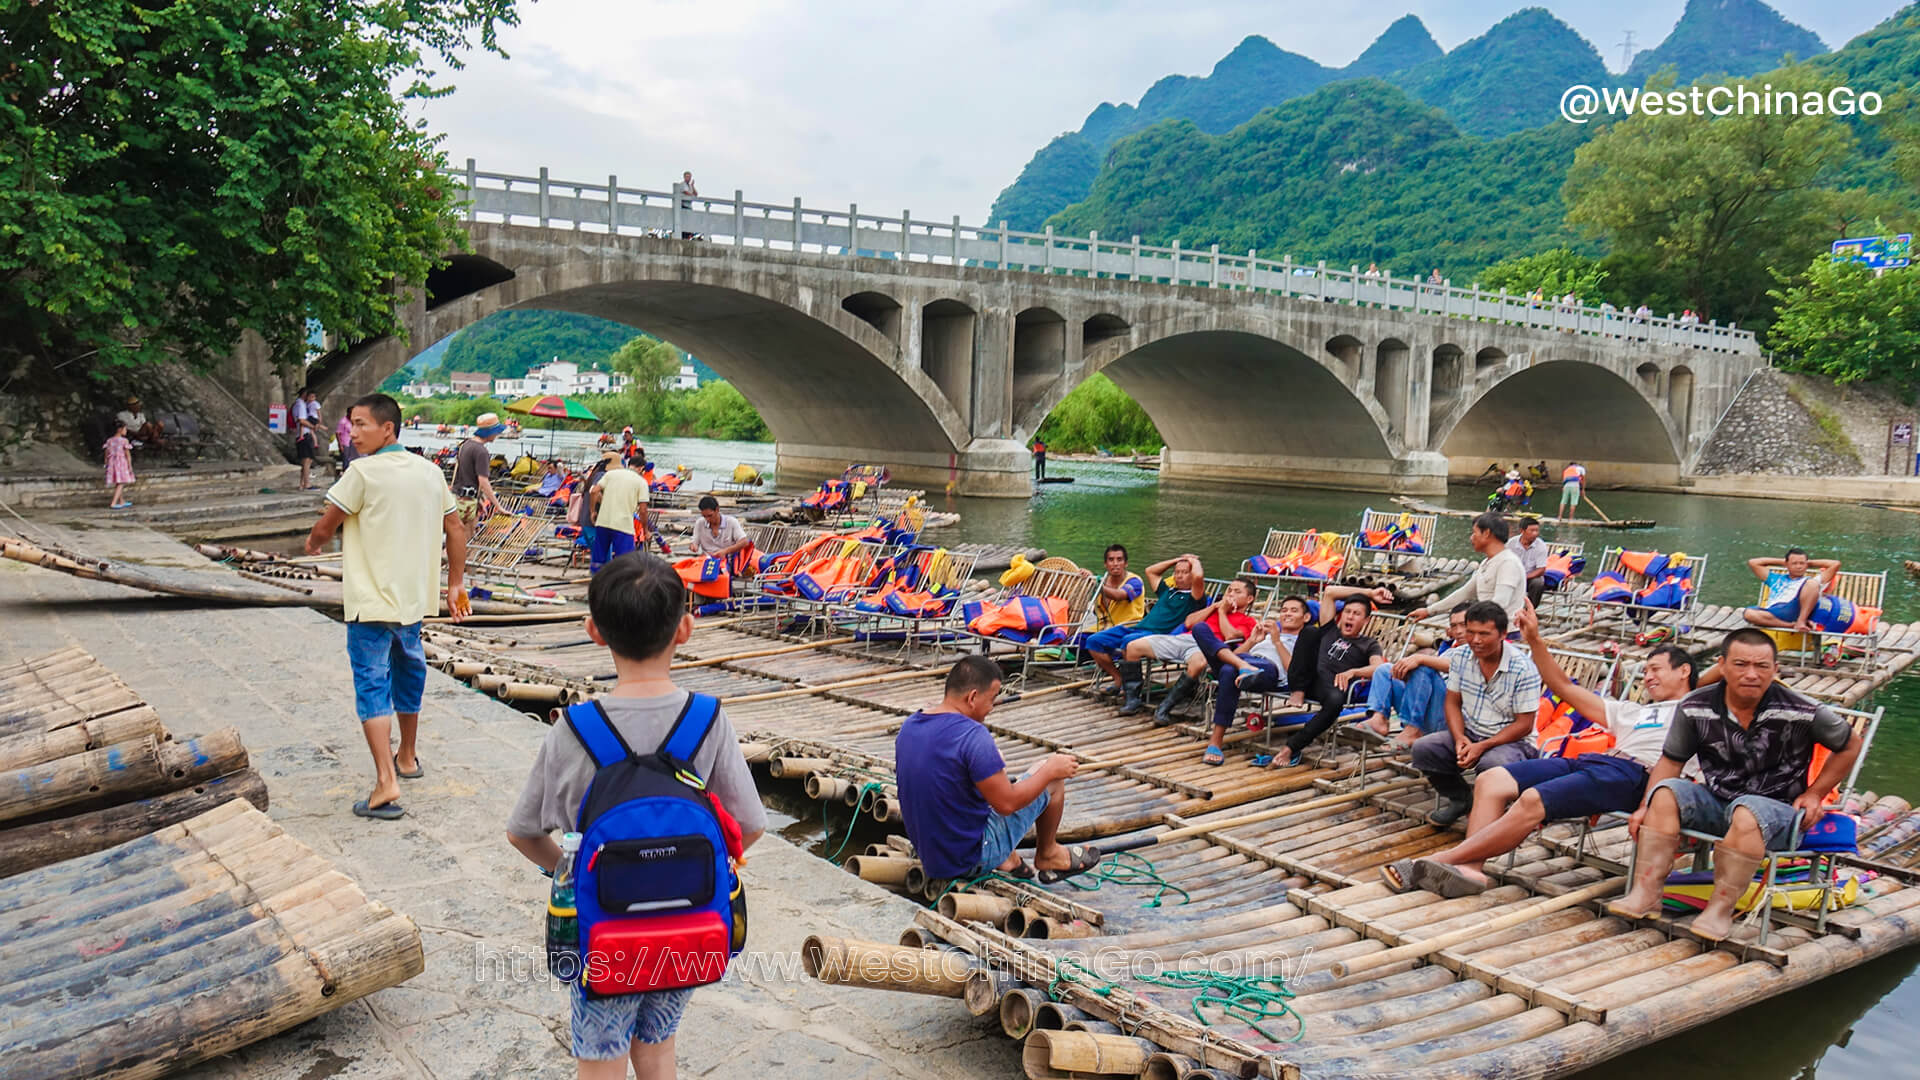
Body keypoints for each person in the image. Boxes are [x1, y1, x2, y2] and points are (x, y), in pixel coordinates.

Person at [507, 553, 767, 1080]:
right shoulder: (708, 719)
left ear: (594, 631)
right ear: (686, 629)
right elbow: (752, 825)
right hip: (688, 927)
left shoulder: (574, 729)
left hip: (604, 934)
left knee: (601, 1055)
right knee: (658, 1045)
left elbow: (523, 833)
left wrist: (572, 871)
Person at [1387, 601, 1697, 895]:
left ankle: (1443, 859)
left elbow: (1728, 680)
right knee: (1491, 780)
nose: (1648, 676)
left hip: (1639, 777)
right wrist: (1534, 639)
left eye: (1656, 669)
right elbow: (1564, 688)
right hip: (1599, 762)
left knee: (1531, 799)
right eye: (1645, 671)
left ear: (1684, 671)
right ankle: (1471, 869)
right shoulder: (1634, 711)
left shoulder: (1700, 709)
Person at [1608, 628, 1862, 940]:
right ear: (1723, 665)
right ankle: (1646, 892)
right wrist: (1645, 806)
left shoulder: (1802, 710)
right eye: (1741, 665)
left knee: (1747, 811)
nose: (1751, 674)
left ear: (1775, 670)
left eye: (1762, 666)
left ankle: (1720, 908)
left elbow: (1850, 744)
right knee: (1664, 793)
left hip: (1777, 812)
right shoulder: (1695, 706)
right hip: (1718, 801)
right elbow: (1671, 762)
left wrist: (1815, 793)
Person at [305, 393, 468, 822]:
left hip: (370, 604)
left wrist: (313, 543)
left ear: (387, 429)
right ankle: (407, 757)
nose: (353, 433)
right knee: (410, 673)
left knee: (372, 684)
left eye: (361, 425)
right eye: (352, 425)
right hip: (412, 603)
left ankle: (384, 781)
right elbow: (455, 529)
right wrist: (455, 583)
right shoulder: (431, 473)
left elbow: (327, 523)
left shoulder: (361, 472)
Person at [894, 655, 1099, 883]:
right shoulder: (973, 736)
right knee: (1050, 778)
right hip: (966, 860)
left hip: (931, 855)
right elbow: (1007, 804)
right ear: (972, 697)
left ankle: (1007, 858)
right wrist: (1051, 770)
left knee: (988, 778)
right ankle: (1048, 854)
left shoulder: (910, 725)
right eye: (991, 700)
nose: (992, 708)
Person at [1411, 601, 1541, 825]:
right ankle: (1460, 799)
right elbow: (1452, 702)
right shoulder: (1461, 657)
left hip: (1513, 742)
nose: (1476, 640)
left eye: (1484, 634)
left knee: (1491, 765)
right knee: (1424, 749)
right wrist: (1460, 737)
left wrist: (1482, 746)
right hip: (1471, 732)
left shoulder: (1523, 669)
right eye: (1470, 632)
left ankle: (1493, 814)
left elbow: (1524, 725)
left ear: (1502, 634)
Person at [1193, 592, 1310, 765]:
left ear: (1306, 617)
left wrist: (1277, 642)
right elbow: (1234, 656)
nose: (1287, 614)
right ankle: (1242, 667)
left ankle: (1215, 742)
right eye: (1284, 610)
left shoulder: (1306, 640)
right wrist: (1252, 642)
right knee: (1199, 629)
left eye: (1294, 611)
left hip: (1269, 671)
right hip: (1244, 665)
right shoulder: (1267, 636)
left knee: (1228, 669)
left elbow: (1294, 672)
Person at [1082, 554, 1207, 715]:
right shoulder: (1167, 591)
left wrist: (1194, 560)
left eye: (1184, 572)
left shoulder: (1195, 597)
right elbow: (1151, 571)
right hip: (1138, 628)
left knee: (1128, 641)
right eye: (1176, 572)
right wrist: (1177, 560)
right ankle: (1119, 678)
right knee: (1094, 641)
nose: (1179, 576)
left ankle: (1132, 697)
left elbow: (1199, 576)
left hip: (1159, 636)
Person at [1277, 593, 1388, 767]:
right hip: (1307, 678)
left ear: (1366, 620)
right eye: (1347, 612)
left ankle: (1290, 748)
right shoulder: (1330, 629)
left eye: (1356, 614)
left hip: (1333, 685)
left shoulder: (1369, 644)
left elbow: (1379, 668)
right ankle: (1297, 691)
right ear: (1341, 614)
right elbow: (1329, 593)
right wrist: (1371, 593)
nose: (1350, 616)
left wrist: (1353, 672)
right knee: (1311, 631)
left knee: (1336, 702)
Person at [1144, 576, 1260, 726]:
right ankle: (1132, 702)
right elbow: (1188, 623)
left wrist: (1222, 613)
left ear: (1249, 598)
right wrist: (1213, 607)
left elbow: (1230, 636)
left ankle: (1164, 708)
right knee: (1133, 646)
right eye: (1229, 590)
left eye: (1237, 592)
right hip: (1183, 639)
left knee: (1198, 662)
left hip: (1206, 647)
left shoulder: (1248, 621)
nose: (1230, 594)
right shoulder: (1213, 609)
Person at [1361, 603, 1470, 746]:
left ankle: (1412, 730)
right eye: (1454, 626)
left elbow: (1460, 667)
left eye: (1463, 625)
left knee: (1424, 667)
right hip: (1425, 712)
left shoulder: (1478, 649)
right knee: (1385, 669)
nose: (1459, 631)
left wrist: (1421, 659)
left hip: (1450, 719)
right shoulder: (1449, 648)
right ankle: (1379, 718)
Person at [1410, 512, 1527, 627]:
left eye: (1474, 533)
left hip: (1503, 632)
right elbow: (1465, 592)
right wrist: (1429, 611)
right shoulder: (1487, 563)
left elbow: (1500, 603)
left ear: (1486, 533)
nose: (1471, 538)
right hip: (1486, 627)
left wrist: (1470, 619)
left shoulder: (1508, 563)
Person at [1742, 548, 1845, 633]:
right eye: (1794, 563)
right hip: (1773, 612)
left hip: (1795, 608)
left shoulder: (1810, 581)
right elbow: (1753, 563)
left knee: (1813, 583)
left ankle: (1801, 621)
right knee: (1748, 613)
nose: (1799, 566)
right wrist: (1783, 562)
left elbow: (1835, 564)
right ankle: (1790, 626)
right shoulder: (1775, 578)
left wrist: (1809, 563)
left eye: (1802, 563)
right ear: (1786, 564)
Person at [588, 455, 649, 573]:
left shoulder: (611, 474)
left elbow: (594, 491)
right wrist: (645, 530)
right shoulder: (641, 482)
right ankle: (620, 586)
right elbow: (643, 510)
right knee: (625, 562)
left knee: (598, 560)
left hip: (603, 522)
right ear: (641, 468)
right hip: (623, 525)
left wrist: (592, 511)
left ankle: (595, 583)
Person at [450, 412, 507, 526]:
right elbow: (483, 481)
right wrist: (498, 506)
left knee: (456, 536)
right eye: (496, 432)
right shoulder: (481, 451)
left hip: (456, 498)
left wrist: (479, 501)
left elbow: (460, 474)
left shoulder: (465, 445)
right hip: (468, 503)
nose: (497, 435)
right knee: (466, 538)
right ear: (490, 432)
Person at [1090, 544, 1147, 637]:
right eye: (1111, 560)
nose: (1115, 563)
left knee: (1094, 640)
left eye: (1119, 560)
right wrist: (1087, 577)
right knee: (1074, 641)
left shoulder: (1135, 581)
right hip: (1103, 628)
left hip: (1127, 628)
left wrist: (1097, 585)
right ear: (1105, 564)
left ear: (1126, 563)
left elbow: (1118, 596)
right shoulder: (1103, 581)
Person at [693, 495, 751, 572]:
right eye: (704, 516)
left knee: (716, 572)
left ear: (717, 510)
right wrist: (694, 546)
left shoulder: (731, 522)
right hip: (706, 560)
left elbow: (744, 542)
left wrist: (725, 551)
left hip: (726, 562)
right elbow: (695, 543)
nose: (707, 519)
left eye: (710, 516)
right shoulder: (700, 523)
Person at [1508, 517, 1549, 608]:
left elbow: (1541, 569)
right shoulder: (1511, 543)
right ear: (1522, 531)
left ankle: (1530, 609)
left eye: (1537, 531)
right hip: (1513, 575)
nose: (1535, 534)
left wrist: (1524, 577)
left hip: (1530, 577)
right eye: (1532, 531)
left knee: (1538, 583)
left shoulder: (1540, 546)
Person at [291, 388, 323, 490]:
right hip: (304, 434)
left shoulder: (302, 404)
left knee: (307, 460)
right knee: (307, 460)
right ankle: (307, 483)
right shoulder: (300, 404)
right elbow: (301, 420)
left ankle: (302, 483)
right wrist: (312, 426)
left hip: (305, 433)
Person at [104, 419, 135, 509]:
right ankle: (113, 503)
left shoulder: (109, 440)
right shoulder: (124, 441)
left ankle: (121, 501)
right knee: (121, 483)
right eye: (125, 429)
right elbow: (127, 455)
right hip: (121, 463)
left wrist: (106, 463)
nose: (126, 430)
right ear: (120, 429)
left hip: (112, 463)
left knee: (118, 482)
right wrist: (129, 466)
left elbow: (106, 454)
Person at [676, 171, 699, 238]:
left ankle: (688, 234)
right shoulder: (682, 184)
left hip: (689, 206)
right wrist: (692, 195)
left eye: (689, 177)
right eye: (687, 177)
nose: (688, 178)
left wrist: (692, 186)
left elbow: (696, 194)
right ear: (684, 177)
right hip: (683, 206)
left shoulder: (690, 186)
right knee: (684, 222)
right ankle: (684, 235)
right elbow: (686, 192)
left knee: (689, 222)